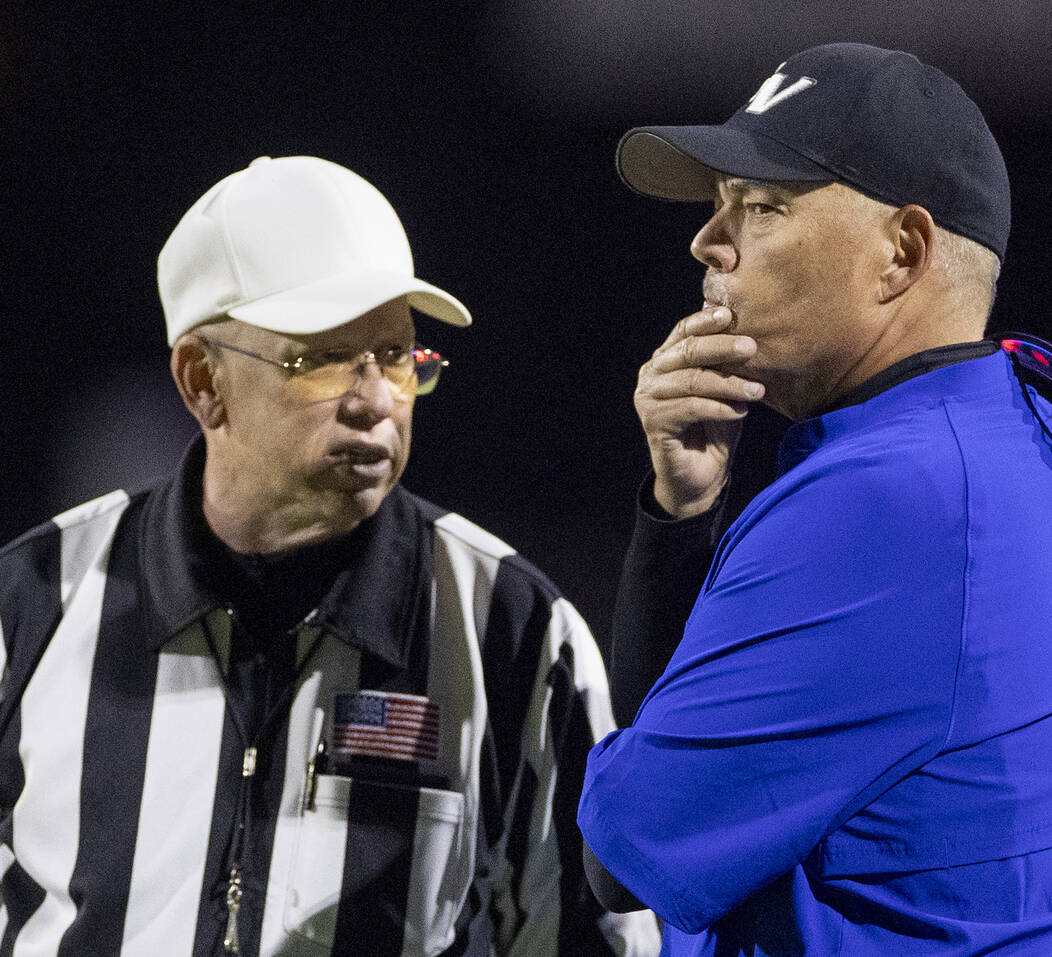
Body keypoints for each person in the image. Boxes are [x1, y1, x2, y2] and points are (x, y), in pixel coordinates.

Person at [577, 42, 1052, 955]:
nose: (707, 241)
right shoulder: (1037, 419)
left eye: (762, 207)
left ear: (903, 252)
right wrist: (683, 510)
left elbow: (628, 852)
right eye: (719, 203)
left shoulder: (883, 499)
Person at [0, 155, 659, 957]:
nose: (377, 399)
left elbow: (603, 939)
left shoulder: (513, 629)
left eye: (396, 356)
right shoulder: (31, 602)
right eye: (317, 360)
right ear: (201, 380)